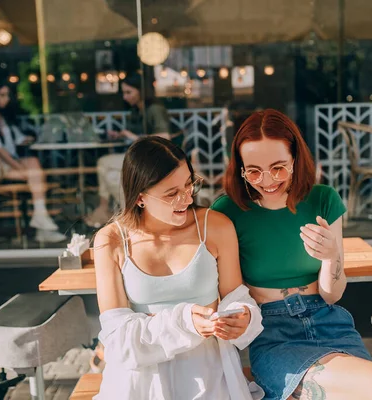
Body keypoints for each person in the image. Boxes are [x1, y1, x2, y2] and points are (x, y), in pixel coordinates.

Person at [211, 109, 372, 400]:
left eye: (278, 167)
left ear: (295, 159)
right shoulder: (228, 212)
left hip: (327, 319)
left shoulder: (323, 199)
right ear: (240, 169)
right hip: (272, 331)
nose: (267, 180)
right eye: (253, 170)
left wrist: (331, 256)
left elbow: (332, 295)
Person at [93, 136, 264, 399]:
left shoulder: (216, 227)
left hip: (208, 372)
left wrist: (243, 317)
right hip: (139, 380)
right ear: (140, 198)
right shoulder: (112, 241)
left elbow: (236, 298)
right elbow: (117, 341)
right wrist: (184, 322)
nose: (186, 198)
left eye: (188, 185)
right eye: (171, 194)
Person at [0, 83, 65, 243]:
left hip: (7, 161)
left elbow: (15, 139)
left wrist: (32, 138)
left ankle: (41, 220)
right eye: (2, 95)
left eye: (7, 95)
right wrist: (20, 168)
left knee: (34, 163)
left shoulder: (1, 118)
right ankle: (41, 221)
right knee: (35, 174)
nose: (6, 99)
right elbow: (0, 151)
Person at [85, 73, 179, 228]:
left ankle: (111, 209)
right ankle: (129, 212)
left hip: (158, 159)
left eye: (129, 92)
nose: (125, 97)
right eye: (124, 93)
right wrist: (121, 135)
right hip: (143, 157)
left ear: (141, 91)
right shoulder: (136, 111)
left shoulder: (154, 109)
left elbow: (165, 137)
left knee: (104, 163)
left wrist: (133, 136)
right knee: (113, 175)